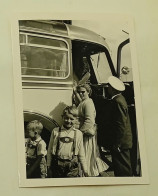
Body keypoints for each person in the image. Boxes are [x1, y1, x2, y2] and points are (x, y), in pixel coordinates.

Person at [75, 83, 109, 177]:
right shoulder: (83, 102)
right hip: (86, 133)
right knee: (87, 155)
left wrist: (80, 132)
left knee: (87, 154)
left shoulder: (88, 103)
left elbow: (90, 120)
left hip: (87, 134)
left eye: (83, 92)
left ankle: (89, 175)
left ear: (88, 92)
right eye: (79, 92)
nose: (81, 94)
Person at [47, 106, 88, 178]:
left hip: (72, 166)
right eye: (66, 118)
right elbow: (50, 149)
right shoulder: (56, 131)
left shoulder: (78, 133)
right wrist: (48, 165)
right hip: (57, 165)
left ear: (76, 119)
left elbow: (81, 153)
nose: (68, 121)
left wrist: (85, 170)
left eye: (71, 119)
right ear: (62, 117)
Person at [107, 76, 133, 176]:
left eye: (108, 86)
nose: (107, 88)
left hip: (121, 143)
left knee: (123, 170)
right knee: (123, 168)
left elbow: (120, 125)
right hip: (123, 141)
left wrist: (117, 144)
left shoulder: (117, 102)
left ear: (112, 88)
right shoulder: (121, 99)